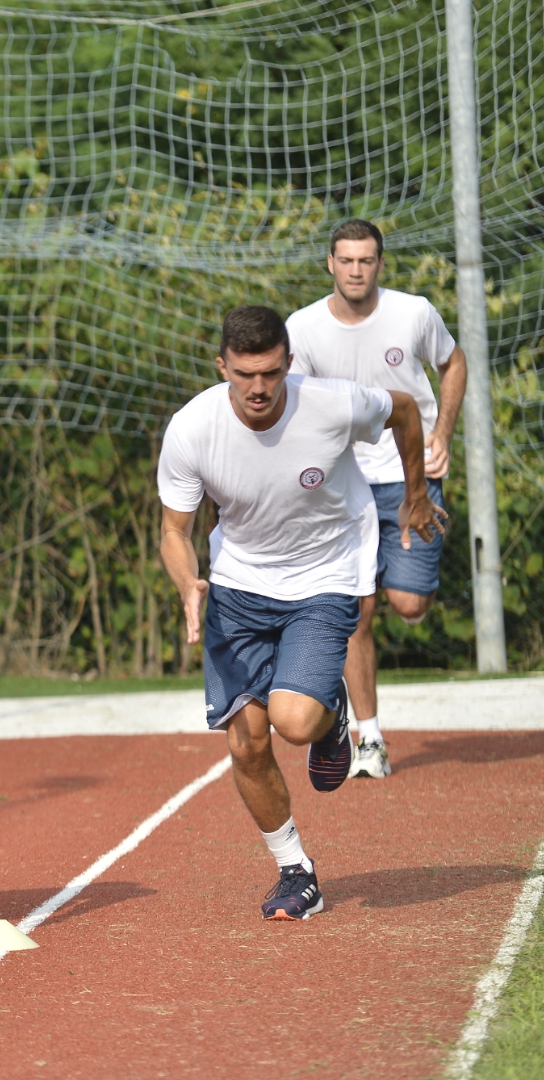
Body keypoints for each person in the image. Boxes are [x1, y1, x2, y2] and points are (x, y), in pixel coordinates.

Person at [158, 305, 441, 921]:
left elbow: (405, 411)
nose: (258, 388)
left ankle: (331, 713)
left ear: (287, 363)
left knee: (292, 720)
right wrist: (187, 583)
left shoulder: (332, 403)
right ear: (222, 367)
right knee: (246, 740)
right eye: (243, 375)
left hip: (324, 575)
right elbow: (173, 530)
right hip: (238, 585)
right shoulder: (191, 428)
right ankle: (295, 870)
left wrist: (415, 494)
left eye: (270, 373)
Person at [287, 219, 466, 780]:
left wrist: (442, 437)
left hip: (412, 473)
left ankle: (403, 569)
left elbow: (453, 363)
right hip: (343, 487)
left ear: (380, 264)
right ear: (330, 264)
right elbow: (293, 407)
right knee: (355, 615)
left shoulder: (412, 313)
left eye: (366, 260)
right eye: (346, 260)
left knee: (408, 605)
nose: (356, 270)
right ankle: (370, 738)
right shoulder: (304, 328)